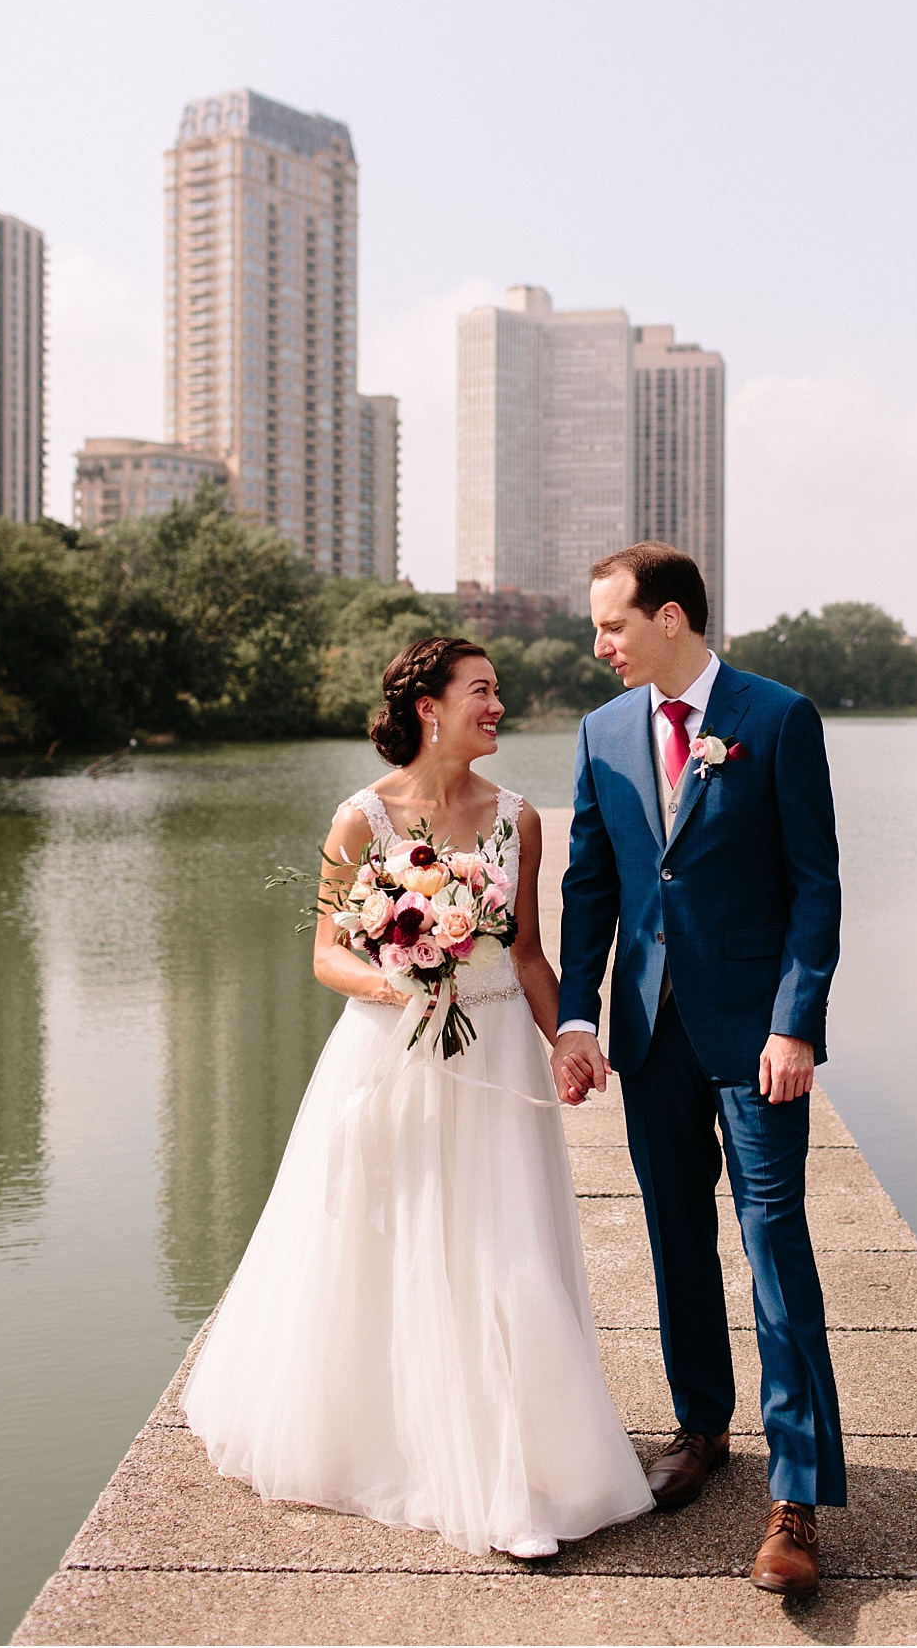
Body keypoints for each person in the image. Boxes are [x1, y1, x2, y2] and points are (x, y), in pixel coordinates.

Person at [182, 637, 654, 1563]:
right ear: (430, 706)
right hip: (392, 1054)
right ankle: (408, 1447)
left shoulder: (518, 818)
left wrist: (569, 1036)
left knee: (504, 1249)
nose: (499, 704)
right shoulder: (360, 819)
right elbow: (326, 953)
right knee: (390, 1248)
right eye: (482, 690)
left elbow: (524, 954)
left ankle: (518, 1473)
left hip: (496, 1063)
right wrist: (403, 980)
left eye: (498, 690)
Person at [552, 543, 845, 1598]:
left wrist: (795, 1023)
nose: (601, 645)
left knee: (776, 1246)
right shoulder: (601, 732)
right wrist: (578, 1017)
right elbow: (591, 888)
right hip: (648, 1036)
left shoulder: (776, 718)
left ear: (668, 617)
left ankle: (797, 1490)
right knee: (676, 1234)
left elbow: (816, 887)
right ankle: (702, 1425)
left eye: (613, 625)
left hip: (757, 1039)